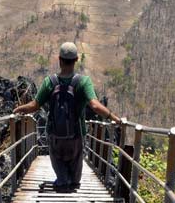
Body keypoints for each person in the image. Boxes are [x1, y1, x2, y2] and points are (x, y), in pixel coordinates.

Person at [15, 41, 120, 192]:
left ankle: (62, 180)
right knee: (75, 178)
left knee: (59, 167)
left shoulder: (50, 82)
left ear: (59, 59)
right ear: (76, 60)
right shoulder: (83, 82)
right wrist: (114, 118)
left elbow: (34, 106)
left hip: (55, 135)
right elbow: (95, 106)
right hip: (77, 136)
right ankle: (72, 183)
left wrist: (19, 109)